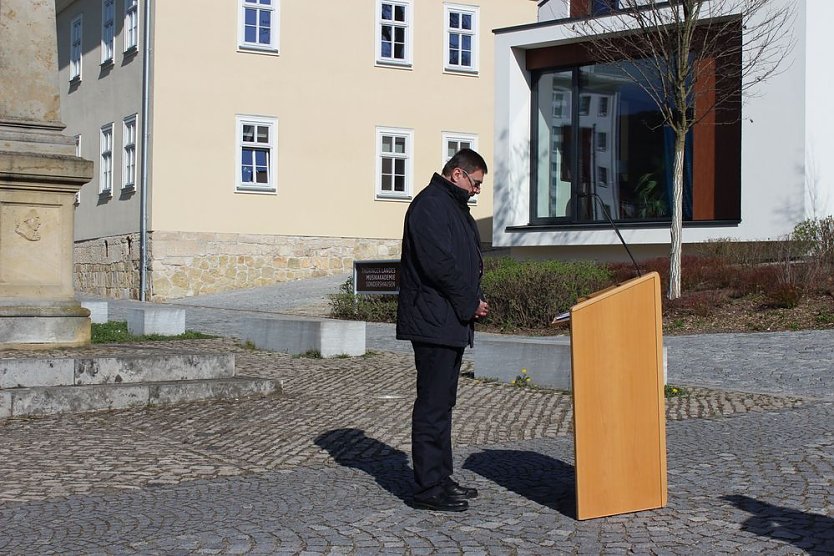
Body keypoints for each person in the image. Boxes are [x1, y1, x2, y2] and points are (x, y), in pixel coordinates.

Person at [396, 148, 490, 512]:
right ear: (457, 174)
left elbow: (463, 264)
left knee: (443, 406)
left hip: (447, 319)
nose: (478, 190)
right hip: (434, 321)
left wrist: (472, 298)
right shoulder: (431, 206)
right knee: (433, 406)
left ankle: (441, 477)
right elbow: (439, 266)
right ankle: (428, 489)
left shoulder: (450, 205)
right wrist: (469, 303)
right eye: (476, 183)